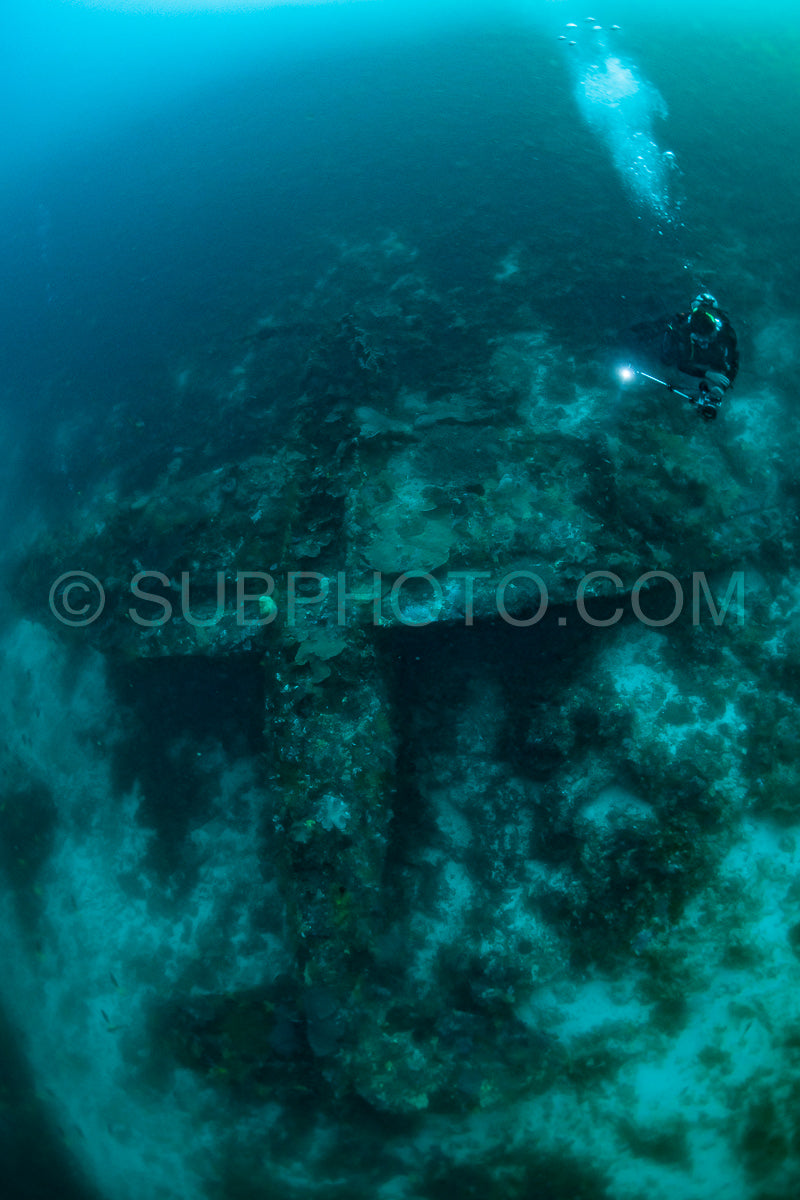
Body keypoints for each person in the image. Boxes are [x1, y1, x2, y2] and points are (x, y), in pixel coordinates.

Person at [661, 293, 739, 420]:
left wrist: (721, 388)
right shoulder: (684, 331)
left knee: (719, 361)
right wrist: (706, 374)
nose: (704, 344)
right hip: (692, 352)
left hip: (714, 355)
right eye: (701, 341)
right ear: (693, 335)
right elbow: (681, 363)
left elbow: (734, 363)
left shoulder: (726, 334)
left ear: (715, 332)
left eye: (709, 339)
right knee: (665, 359)